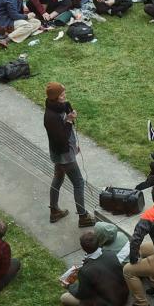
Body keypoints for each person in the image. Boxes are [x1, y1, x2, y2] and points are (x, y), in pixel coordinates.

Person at [44, 81, 89, 225]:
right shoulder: (51, 117)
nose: (65, 96)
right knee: (79, 183)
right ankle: (83, 217)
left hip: (61, 152)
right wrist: (69, 121)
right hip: (64, 155)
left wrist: (74, 144)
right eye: (62, 95)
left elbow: (64, 134)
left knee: (58, 178)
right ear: (55, 97)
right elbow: (62, 138)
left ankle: (54, 211)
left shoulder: (58, 107)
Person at [59, 228, 129, 306]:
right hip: (124, 296)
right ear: (98, 242)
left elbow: (82, 294)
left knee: (64, 298)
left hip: (108, 305)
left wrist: (70, 286)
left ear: (83, 248)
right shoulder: (110, 254)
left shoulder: (85, 271)